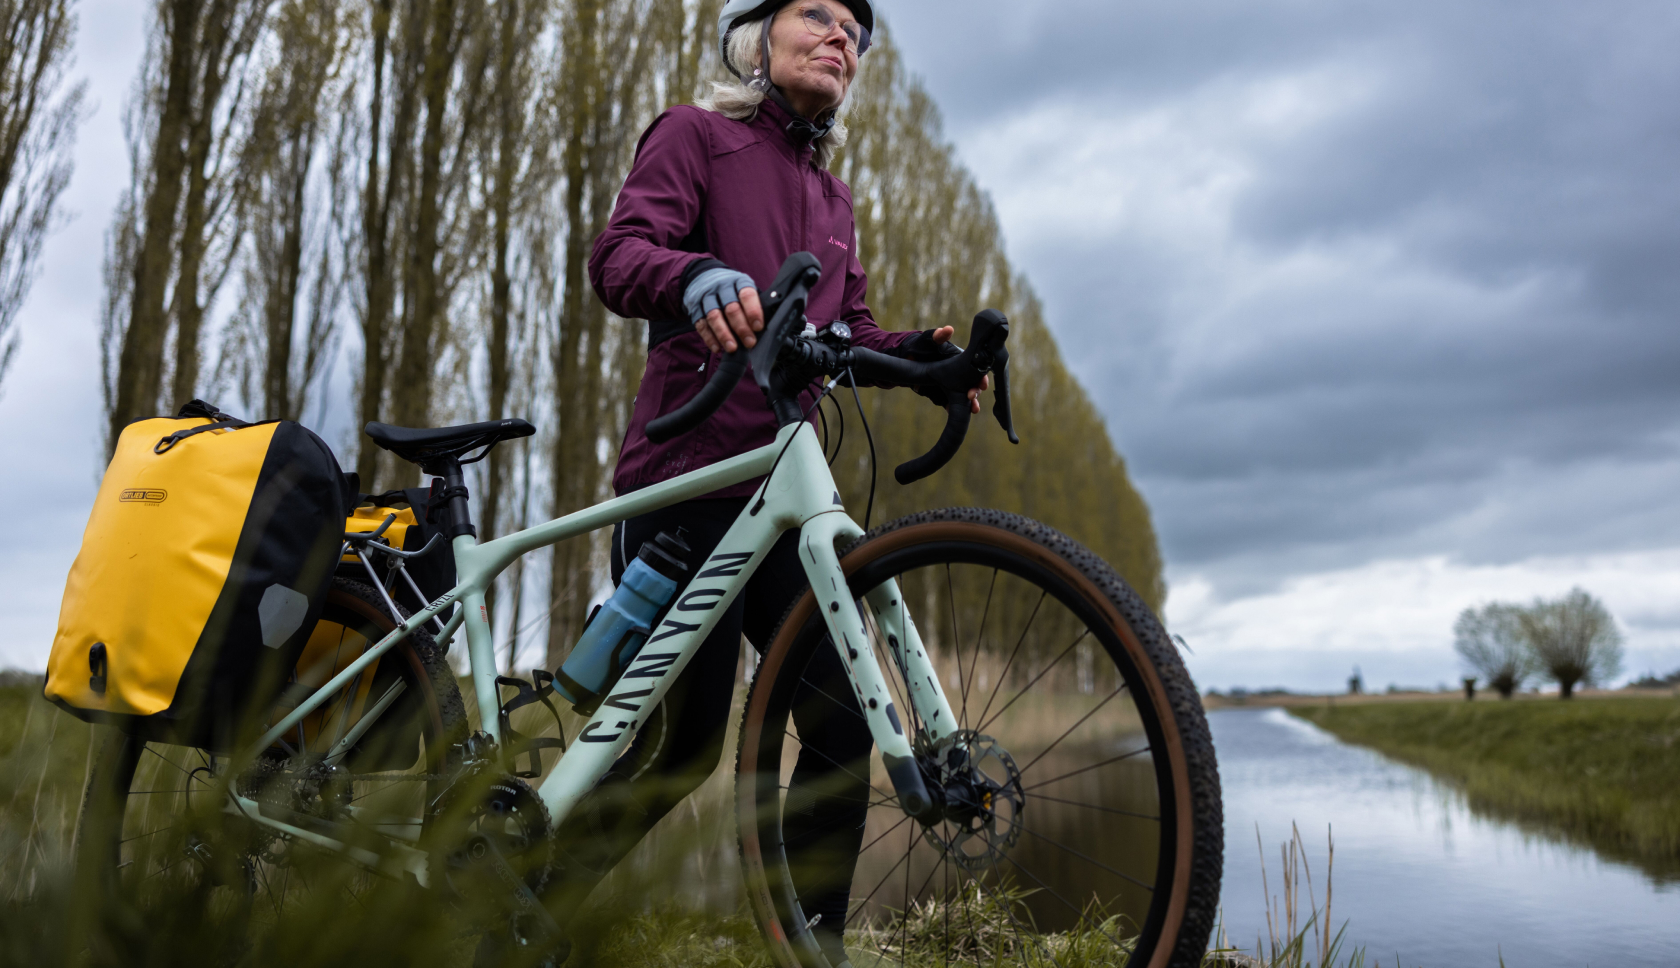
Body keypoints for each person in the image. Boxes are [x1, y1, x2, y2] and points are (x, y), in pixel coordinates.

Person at [536, 1, 983, 965]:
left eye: (857, 36)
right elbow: (618, 258)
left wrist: (922, 360)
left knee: (836, 718)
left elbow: (845, 334)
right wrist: (694, 276)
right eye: (818, 15)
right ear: (759, 40)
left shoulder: (835, 199)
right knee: (681, 746)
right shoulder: (696, 136)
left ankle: (812, 942)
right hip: (688, 481)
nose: (842, 39)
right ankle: (527, 904)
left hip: (785, 496)